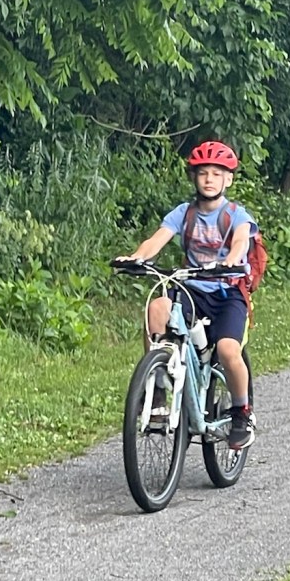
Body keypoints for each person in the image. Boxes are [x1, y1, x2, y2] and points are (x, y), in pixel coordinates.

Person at [119, 140, 257, 450]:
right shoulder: (184, 213)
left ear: (228, 179)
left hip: (226, 294)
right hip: (191, 288)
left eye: (217, 174)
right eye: (203, 173)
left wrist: (231, 260)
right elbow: (156, 240)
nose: (209, 179)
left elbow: (240, 242)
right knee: (157, 308)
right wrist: (136, 258)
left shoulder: (236, 215)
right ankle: (155, 390)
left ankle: (242, 412)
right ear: (194, 177)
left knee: (227, 350)